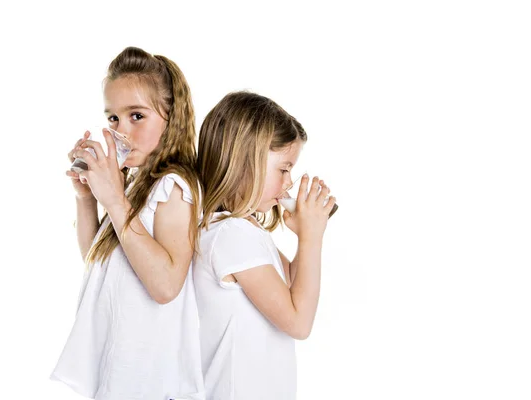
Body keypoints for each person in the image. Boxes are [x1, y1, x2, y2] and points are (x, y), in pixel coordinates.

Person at [51, 46, 204, 400]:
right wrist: (87, 197)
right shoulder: (135, 184)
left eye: (137, 116)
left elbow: (166, 285)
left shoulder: (174, 187)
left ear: (172, 117)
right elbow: (98, 260)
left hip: (150, 383)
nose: (122, 131)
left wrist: (115, 200)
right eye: (113, 119)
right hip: (119, 375)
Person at [194, 91, 337, 399]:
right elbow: (299, 322)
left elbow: (294, 288)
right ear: (244, 162)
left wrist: (307, 237)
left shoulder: (240, 230)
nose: (289, 182)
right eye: (284, 168)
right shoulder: (232, 235)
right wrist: (311, 239)